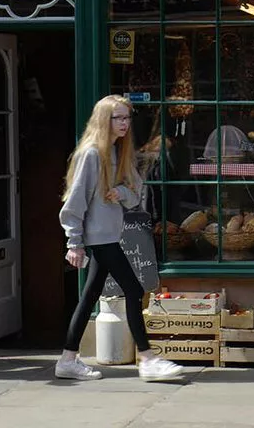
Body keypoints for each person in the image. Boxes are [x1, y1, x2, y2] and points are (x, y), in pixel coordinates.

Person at [57, 95, 183, 382]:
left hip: (109, 235)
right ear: (105, 119)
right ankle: (148, 359)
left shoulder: (117, 152)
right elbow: (73, 203)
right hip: (100, 238)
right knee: (135, 290)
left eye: (127, 117)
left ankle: (67, 359)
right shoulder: (91, 154)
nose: (125, 123)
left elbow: (136, 190)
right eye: (118, 117)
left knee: (89, 298)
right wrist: (73, 242)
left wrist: (121, 193)